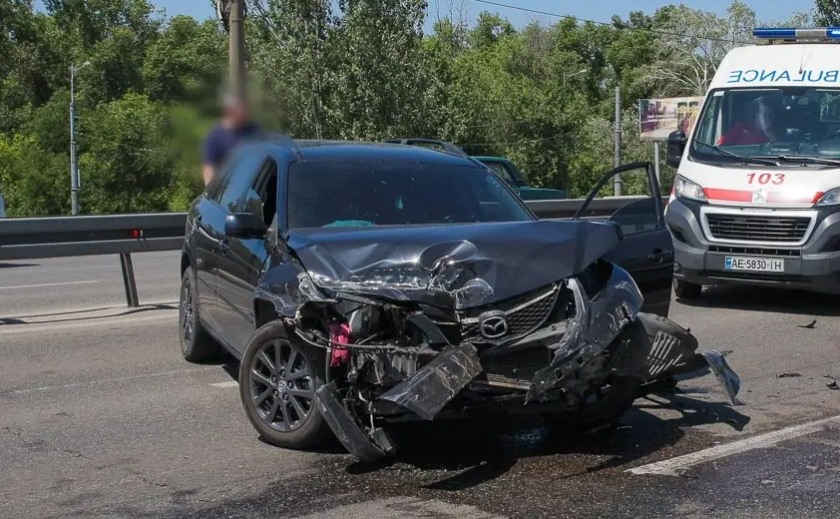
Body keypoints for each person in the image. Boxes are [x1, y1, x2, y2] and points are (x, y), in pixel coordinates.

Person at [202, 94, 261, 185]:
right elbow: (209, 168)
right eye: (241, 111)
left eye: (246, 110)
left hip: (253, 187)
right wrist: (211, 192)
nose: (245, 114)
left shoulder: (254, 131)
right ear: (230, 112)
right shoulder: (215, 137)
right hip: (226, 190)